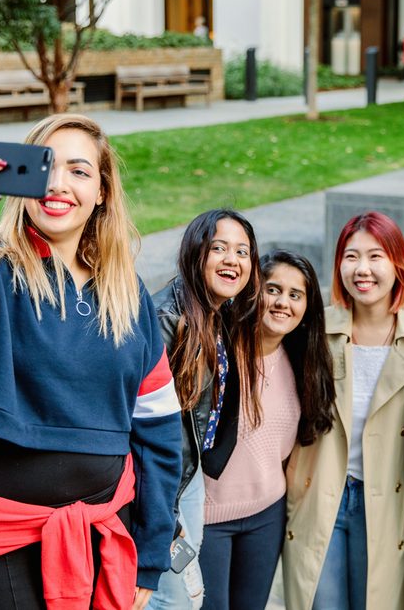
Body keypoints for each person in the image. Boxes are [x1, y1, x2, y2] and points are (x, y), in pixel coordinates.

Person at [0, 115, 181, 610]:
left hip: (99, 541)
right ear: (19, 178)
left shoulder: (129, 299)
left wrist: (151, 550)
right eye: (45, 166)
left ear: (103, 192)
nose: (59, 184)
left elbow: (159, 434)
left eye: (80, 171)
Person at [282, 211, 404, 610]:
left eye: (376, 256)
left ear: (398, 264)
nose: (362, 269)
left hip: (389, 499)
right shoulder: (316, 330)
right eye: (351, 256)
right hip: (321, 494)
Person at [198, 250, 335, 610]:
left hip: (266, 516)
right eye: (273, 289)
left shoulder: (304, 361)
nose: (283, 303)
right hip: (209, 519)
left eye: (295, 295)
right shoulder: (218, 352)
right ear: (254, 291)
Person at [149, 209, 263, 609]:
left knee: (185, 594)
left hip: (188, 474)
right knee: (173, 599)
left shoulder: (219, 313)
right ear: (196, 253)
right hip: (161, 484)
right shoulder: (167, 319)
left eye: (242, 251)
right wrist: (163, 511)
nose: (232, 260)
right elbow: (144, 428)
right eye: (219, 248)